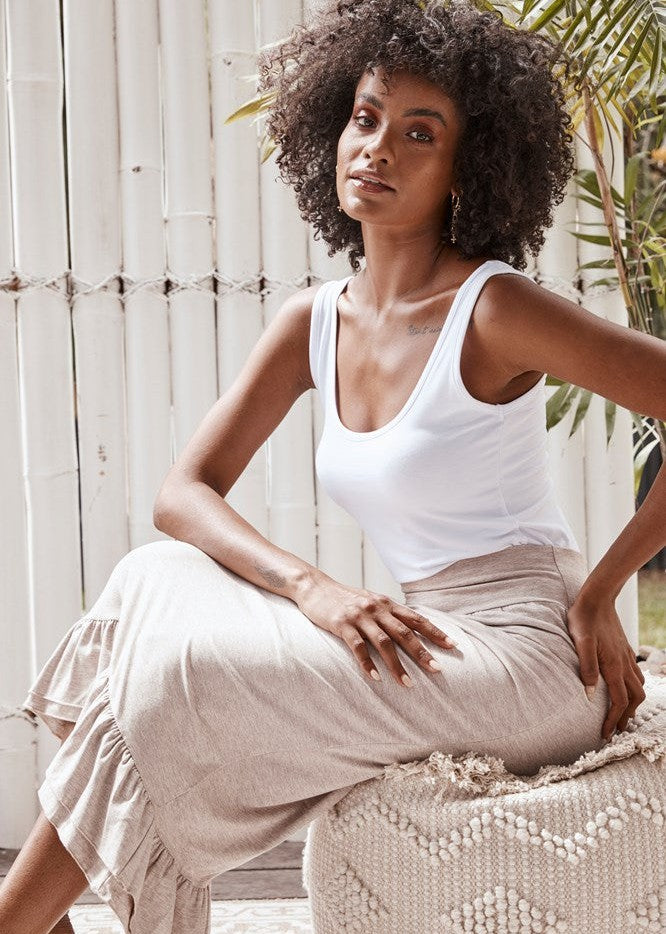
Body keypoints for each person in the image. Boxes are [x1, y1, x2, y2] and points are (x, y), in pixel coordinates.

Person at [1, 1, 660, 932]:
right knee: (150, 581)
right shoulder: (314, 321)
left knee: (178, 678)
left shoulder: (495, 308)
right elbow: (181, 494)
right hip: (431, 633)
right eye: (365, 117)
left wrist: (599, 593)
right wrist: (311, 588)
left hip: (529, 661)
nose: (377, 149)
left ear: (468, 170)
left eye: (419, 133)